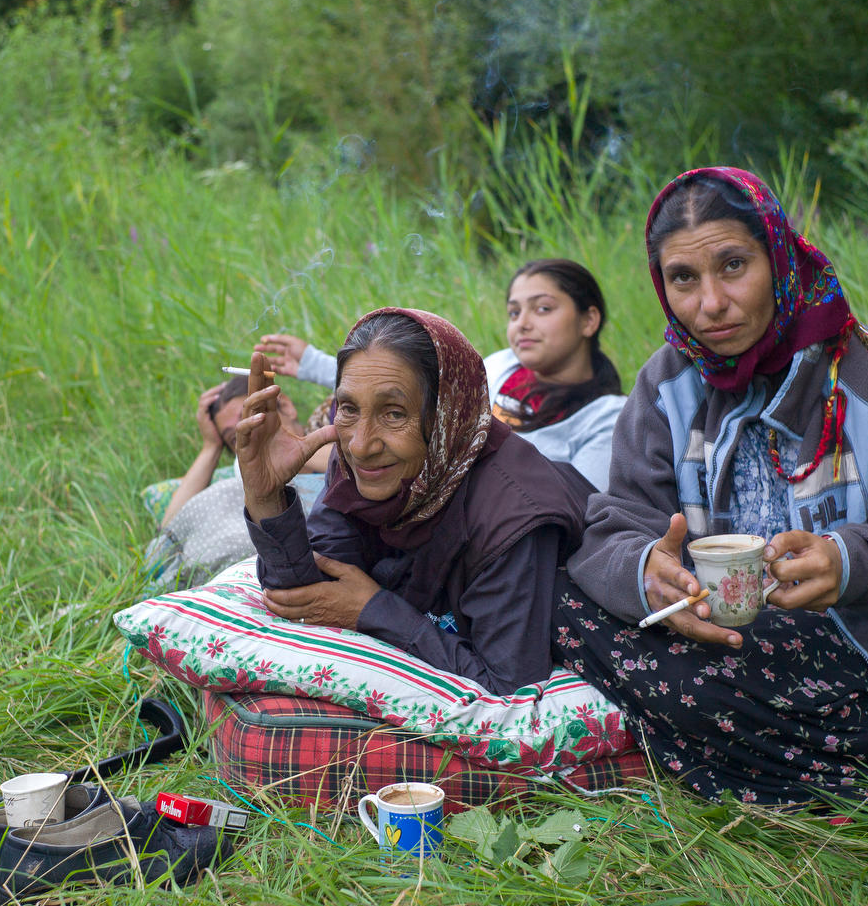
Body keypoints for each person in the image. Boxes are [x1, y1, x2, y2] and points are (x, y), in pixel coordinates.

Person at [555, 166, 868, 807]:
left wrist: (852, 562)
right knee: (557, 594)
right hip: (722, 639)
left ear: (779, 260)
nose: (710, 304)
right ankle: (771, 753)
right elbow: (617, 524)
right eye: (683, 278)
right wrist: (647, 574)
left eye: (733, 266)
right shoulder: (665, 386)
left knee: (696, 672)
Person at [234, 307, 593, 695]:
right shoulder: (358, 461)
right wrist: (265, 495)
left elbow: (510, 687)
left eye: (393, 413)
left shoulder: (512, 517)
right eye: (350, 408)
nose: (361, 445)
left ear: (446, 416)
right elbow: (305, 596)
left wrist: (374, 612)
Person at [253, 259, 625, 490]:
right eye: (513, 313)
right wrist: (315, 364)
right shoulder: (500, 365)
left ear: (589, 319)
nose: (523, 324)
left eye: (543, 308)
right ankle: (295, 457)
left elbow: (582, 502)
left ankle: (299, 457)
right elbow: (419, 389)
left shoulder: (609, 416)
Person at [139, 376, 330, 591]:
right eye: (234, 438)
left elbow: (350, 457)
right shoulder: (235, 479)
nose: (247, 434)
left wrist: (291, 450)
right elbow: (170, 530)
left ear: (284, 405)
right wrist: (211, 446)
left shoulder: (335, 437)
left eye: (251, 417)